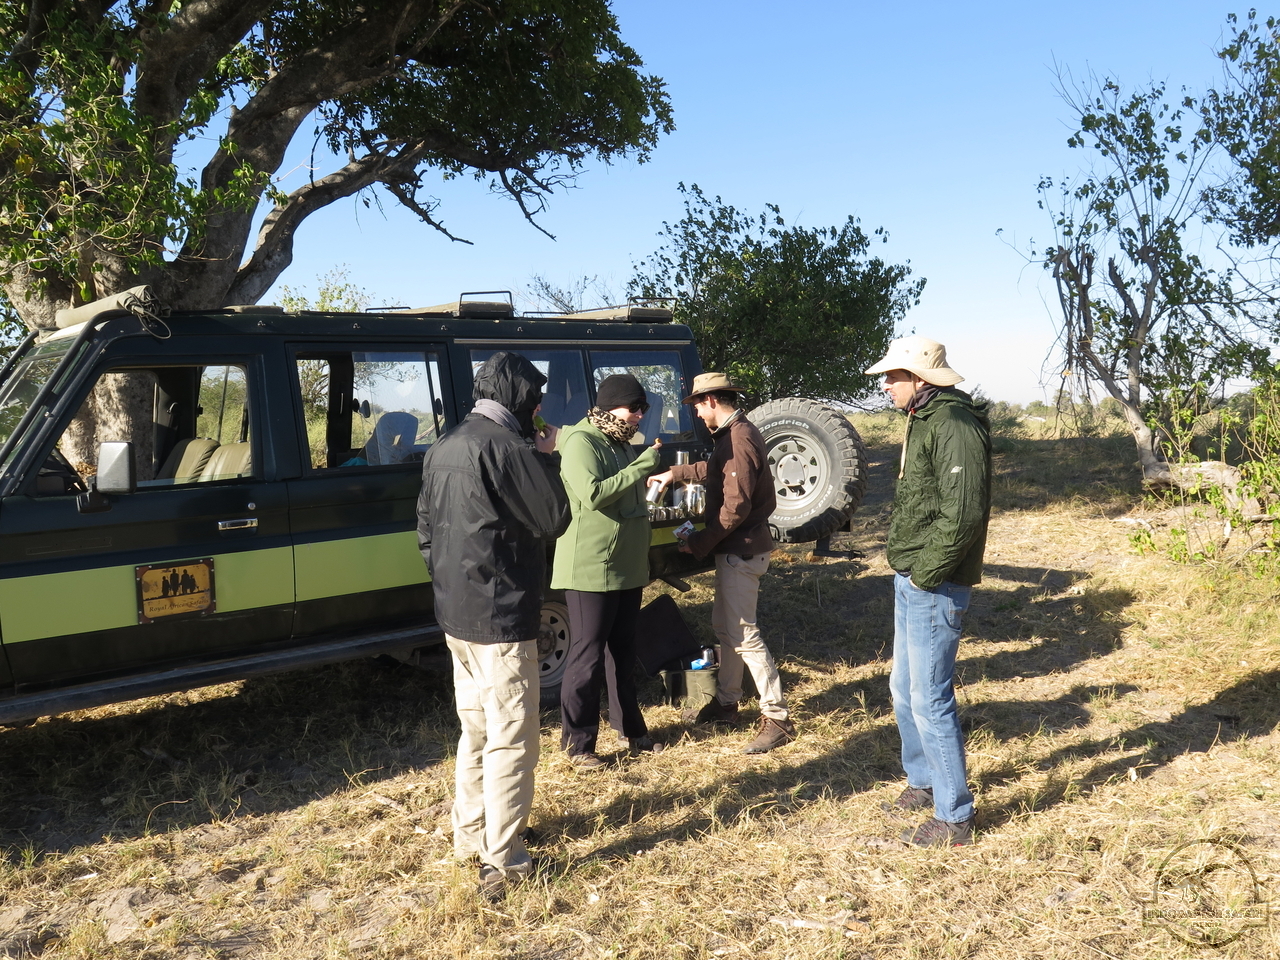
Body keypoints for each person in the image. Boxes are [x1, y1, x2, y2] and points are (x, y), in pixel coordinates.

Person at [416, 351, 570, 900]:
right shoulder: (509, 448)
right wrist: (547, 458)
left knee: (476, 730)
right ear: (521, 398)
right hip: (500, 619)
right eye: (536, 400)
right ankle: (504, 859)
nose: (539, 409)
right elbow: (554, 517)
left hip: (455, 615)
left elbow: (426, 532)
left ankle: (470, 837)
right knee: (511, 738)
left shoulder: (446, 444)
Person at [865, 335, 991, 847]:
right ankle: (923, 781)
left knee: (930, 698)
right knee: (903, 689)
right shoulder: (924, 419)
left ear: (919, 379)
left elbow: (963, 514)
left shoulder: (955, 426)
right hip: (914, 576)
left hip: (932, 582)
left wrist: (924, 574)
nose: (886, 386)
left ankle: (955, 816)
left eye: (892, 377)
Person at [650, 372, 796, 754]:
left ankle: (777, 717)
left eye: (698, 405)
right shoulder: (731, 437)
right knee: (726, 628)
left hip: (741, 549)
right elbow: (714, 472)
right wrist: (674, 473)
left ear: (712, 400)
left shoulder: (739, 437)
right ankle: (727, 702)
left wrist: (699, 542)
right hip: (738, 549)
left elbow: (736, 505)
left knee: (744, 634)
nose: (697, 413)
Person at [553, 374, 665, 770]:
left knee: (623, 652)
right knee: (586, 657)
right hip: (590, 566)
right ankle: (578, 745)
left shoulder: (618, 440)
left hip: (625, 564)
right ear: (610, 405)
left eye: (643, 410)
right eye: (633, 408)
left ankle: (632, 731)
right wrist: (642, 467)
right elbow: (594, 494)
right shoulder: (582, 442)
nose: (638, 416)